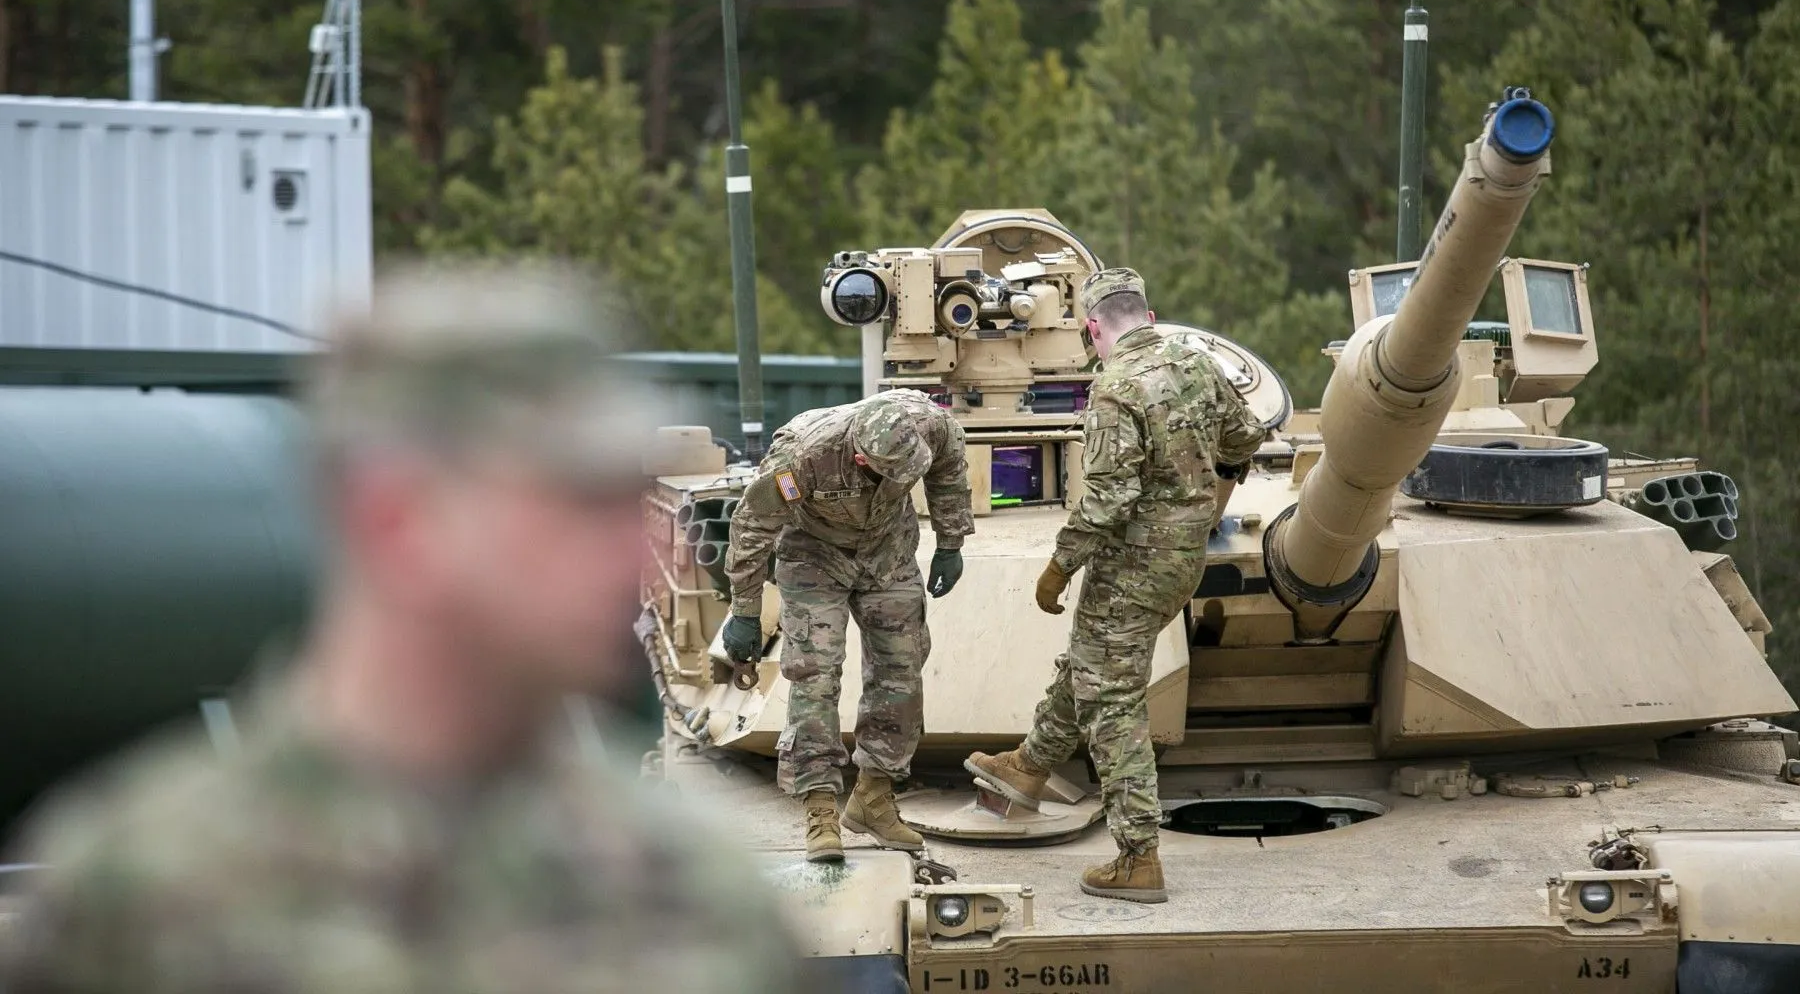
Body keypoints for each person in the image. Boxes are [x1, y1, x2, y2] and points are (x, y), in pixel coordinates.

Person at [0, 263, 810, 992]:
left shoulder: (694, 894)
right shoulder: (138, 900)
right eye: (579, 501)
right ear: (397, 521)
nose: (649, 548)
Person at [964, 267, 1267, 904]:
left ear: (1093, 328)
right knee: (1093, 665)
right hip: (1182, 562)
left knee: (1112, 702)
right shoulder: (1197, 364)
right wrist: (1207, 502)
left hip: (1129, 568)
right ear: (1150, 319)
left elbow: (1107, 498)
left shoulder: (1115, 388)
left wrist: (1058, 567)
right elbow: (1244, 438)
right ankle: (1030, 765)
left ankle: (1138, 856)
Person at [722, 388, 973, 863]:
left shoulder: (929, 425)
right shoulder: (802, 458)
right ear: (861, 457)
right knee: (814, 676)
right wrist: (746, 610)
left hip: (888, 552)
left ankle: (874, 798)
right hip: (815, 556)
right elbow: (752, 527)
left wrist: (951, 540)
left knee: (902, 671)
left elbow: (948, 470)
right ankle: (820, 806)